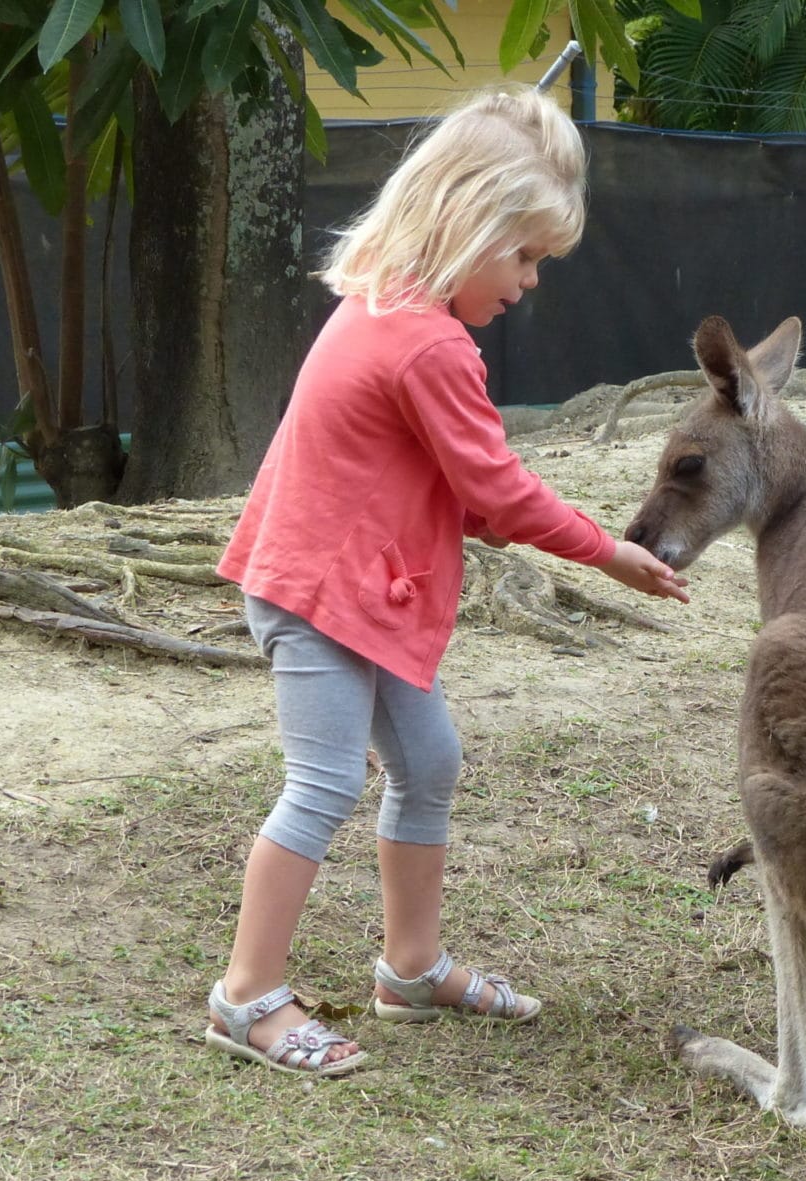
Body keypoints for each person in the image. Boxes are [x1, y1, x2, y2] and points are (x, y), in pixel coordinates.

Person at [204, 87, 688, 1077]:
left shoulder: (384, 308)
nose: (530, 282)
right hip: (320, 596)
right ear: (462, 221)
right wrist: (607, 551)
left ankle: (410, 970)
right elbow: (498, 489)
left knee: (427, 765)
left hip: (360, 588)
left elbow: (419, 478)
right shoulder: (426, 341)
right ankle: (246, 996)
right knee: (326, 782)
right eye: (522, 256)